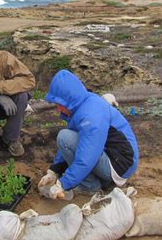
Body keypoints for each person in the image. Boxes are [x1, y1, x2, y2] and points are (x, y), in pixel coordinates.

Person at [38, 69, 139, 199]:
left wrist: (63, 184)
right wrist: (54, 171)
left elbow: (86, 157)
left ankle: (90, 187)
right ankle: (103, 181)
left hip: (120, 164)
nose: (58, 109)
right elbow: (78, 142)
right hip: (114, 156)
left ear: (69, 100)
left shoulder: (91, 116)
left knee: (64, 138)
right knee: (69, 139)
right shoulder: (83, 104)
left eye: (59, 104)